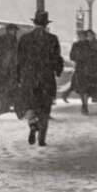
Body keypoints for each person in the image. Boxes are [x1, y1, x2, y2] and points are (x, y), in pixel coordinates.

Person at [16, 10, 64, 146]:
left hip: (29, 77)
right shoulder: (52, 39)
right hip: (46, 78)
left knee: (30, 104)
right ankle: (42, 137)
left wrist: (19, 75)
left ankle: (32, 123)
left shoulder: (25, 39)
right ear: (46, 24)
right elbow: (57, 59)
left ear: (34, 23)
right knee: (45, 107)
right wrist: (57, 70)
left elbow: (19, 59)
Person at [69, 30, 97, 114]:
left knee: (90, 88)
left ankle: (95, 103)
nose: (81, 37)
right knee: (81, 88)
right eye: (79, 36)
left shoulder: (90, 44)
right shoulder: (75, 45)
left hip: (90, 69)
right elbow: (71, 56)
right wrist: (78, 57)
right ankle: (84, 104)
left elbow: (95, 55)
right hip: (80, 69)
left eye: (82, 36)